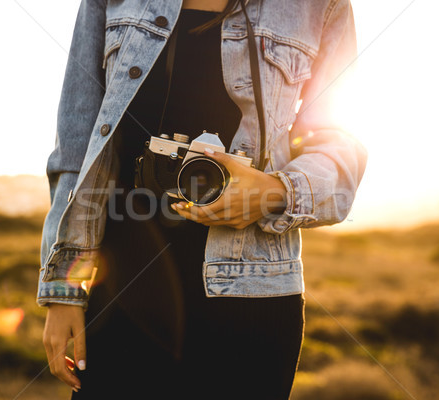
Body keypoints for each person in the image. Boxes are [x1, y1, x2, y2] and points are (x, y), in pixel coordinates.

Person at [37, 0, 366, 399]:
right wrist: (63, 290)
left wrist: (274, 192)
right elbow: (76, 147)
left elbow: (340, 146)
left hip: (251, 305)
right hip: (119, 294)